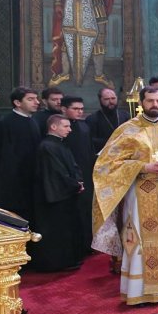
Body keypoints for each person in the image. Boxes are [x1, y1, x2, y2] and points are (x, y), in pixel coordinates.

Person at [91, 87, 158, 305]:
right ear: (142, 102)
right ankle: (139, 291)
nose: (155, 105)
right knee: (140, 240)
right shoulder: (128, 130)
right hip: (139, 195)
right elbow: (106, 165)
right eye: (150, 100)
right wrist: (144, 167)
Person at [28, 114, 87, 272]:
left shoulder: (59, 144)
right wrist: (75, 185)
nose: (70, 130)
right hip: (55, 197)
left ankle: (70, 259)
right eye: (66, 126)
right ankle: (58, 263)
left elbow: (73, 166)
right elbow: (56, 173)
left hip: (67, 193)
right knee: (57, 232)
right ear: (53, 127)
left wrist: (78, 182)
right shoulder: (47, 146)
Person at [0, 87, 41, 220]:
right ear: (17, 103)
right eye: (30, 99)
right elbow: (3, 157)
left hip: (30, 179)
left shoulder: (32, 121)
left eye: (36, 98)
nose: (37, 102)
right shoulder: (5, 123)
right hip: (13, 183)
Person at [61, 95, 94, 250]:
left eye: (81, 109)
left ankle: (88, 244)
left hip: (87, 173)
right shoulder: (61, 127)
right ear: (64, 109)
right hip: (70, 177)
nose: (80, 112)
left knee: (87, 210)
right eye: (75, 109)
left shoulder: (84, 125)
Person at [86, 87, 130, 154]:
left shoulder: (125, 115)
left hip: (124, 152)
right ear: (100, 100)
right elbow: (90, 141)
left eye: (113, 98)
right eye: (106, 99)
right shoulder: (92, 119)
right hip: (102, 154)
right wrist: (112, 141)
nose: (111, 102)